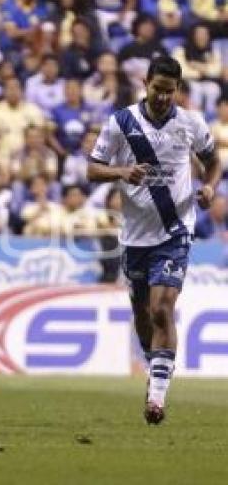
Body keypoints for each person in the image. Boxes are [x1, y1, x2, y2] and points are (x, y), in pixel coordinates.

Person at [87, 56, 221, 425]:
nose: (163, 97)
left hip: (176, 229)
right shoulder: (121, 122)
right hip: (134, 236)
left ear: (178, 90)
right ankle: (156, 368)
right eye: (158, 89)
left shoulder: (191, 123)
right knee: (143, 316)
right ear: (145, 83)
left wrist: (209, 186)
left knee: (163, 309)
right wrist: (121, 171)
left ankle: (157, 399)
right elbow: (92, 168)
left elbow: (214, 161)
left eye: (170, 90)